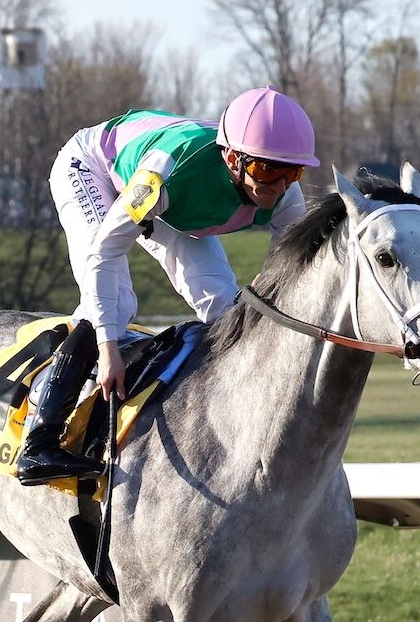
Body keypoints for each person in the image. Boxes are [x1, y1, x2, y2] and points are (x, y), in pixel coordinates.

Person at [18, 85, 320, 485]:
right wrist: (109, 350)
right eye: (266, 171)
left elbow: (288, 283)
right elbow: (105, 252)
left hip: (173, 206)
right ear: (232, 157)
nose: (278, 186)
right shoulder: (169, 168)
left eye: (291, 172)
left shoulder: (285, 196)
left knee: (226, 311)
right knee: (115, 303)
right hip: (93, 169)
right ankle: (39, 441)